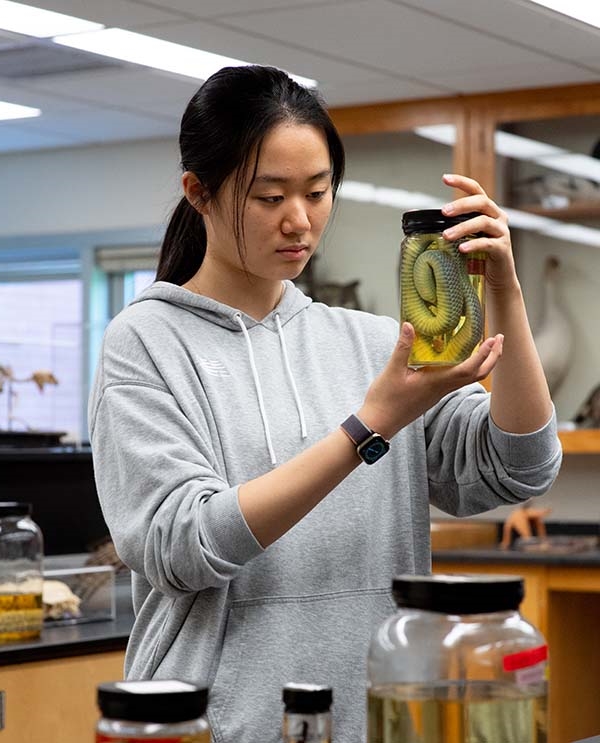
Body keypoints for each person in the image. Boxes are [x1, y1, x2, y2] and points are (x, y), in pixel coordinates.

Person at [88, 65, 562, 743]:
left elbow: (516, 466)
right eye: (269, 196)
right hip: (215, 726)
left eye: (317, 191)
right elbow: (182, 543)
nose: (300, 220)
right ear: (198, 191)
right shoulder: (145, 342)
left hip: (376, 716)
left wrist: (508, 293)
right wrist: (368, 427)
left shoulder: (370, 342)